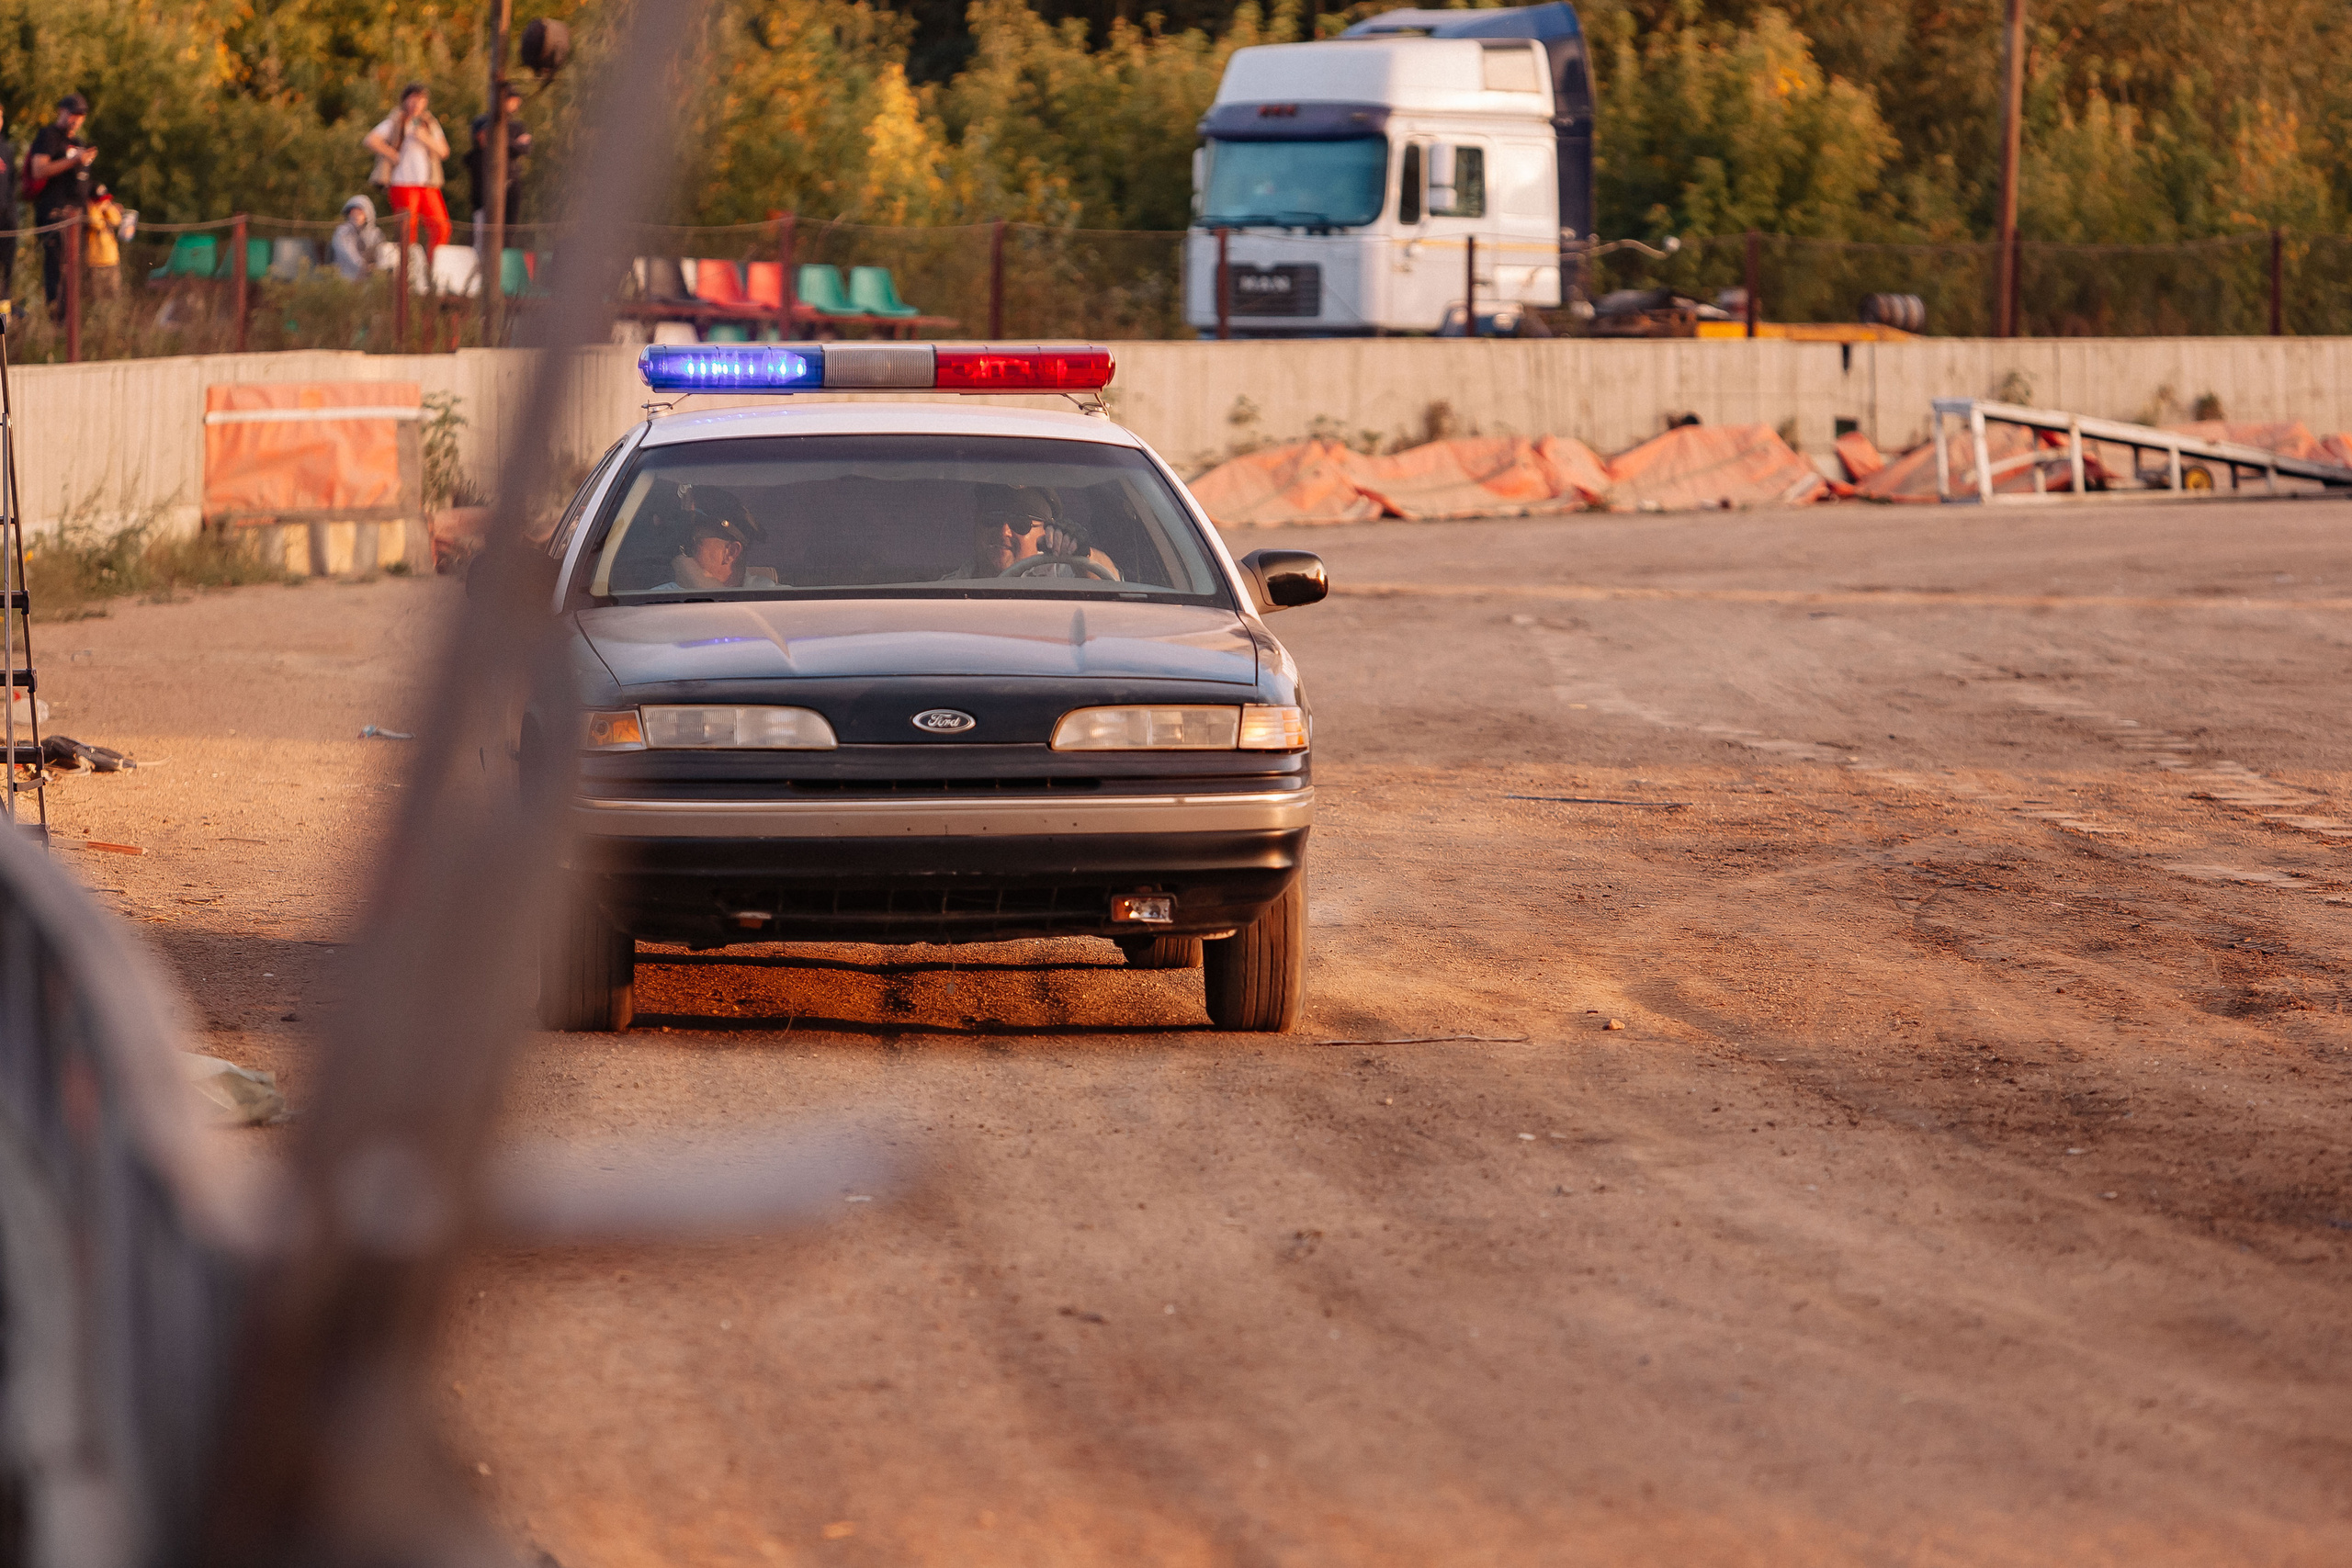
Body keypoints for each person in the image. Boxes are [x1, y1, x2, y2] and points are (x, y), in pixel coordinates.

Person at [945, 484, 1120, 580]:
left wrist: (1083, 555)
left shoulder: (1063, 579)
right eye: (993, 517)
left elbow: (1111, 586)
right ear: (976, 522)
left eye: (1021, 523)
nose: (1004, 531)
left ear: (1045, 534)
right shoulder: (944, 591)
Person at [27, 93, 96, 317]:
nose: (76, 119)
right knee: (56, 271)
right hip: (55, 214)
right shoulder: (48, 136)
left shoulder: (78, 143)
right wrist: (74, 160)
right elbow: (38, 170)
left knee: (75, 274)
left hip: (78, 216)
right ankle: (55, 321)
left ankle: (71, 322)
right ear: (61, 111)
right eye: (72, 114)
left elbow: (83, 181)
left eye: (81, 115)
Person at [364, 84, 451, 257]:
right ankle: (408, 270)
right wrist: (391, 153)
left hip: (427, 184)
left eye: (420, 100)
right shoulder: (396, 121)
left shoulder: (429, 124)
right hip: (402, 183)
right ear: (405, 101)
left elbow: (444, 151)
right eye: (413, 99)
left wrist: (425, 138)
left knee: (442, 227)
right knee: (408, 230)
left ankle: (433, 265)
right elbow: (370, 140)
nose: (416, 104)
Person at [650, 487, 769, 591]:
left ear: (730, 552)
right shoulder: (660, 600)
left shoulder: (776, 600)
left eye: (693, 543)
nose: (683, 551)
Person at [464, 85, 530, 234]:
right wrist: (513, 143)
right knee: (485, 229)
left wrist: (502, 142)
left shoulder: (517, 126)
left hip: (511, 181)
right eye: (512, 99)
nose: (516, 102)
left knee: (509, 228)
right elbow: (485, 142)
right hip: (486, 184)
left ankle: (505, 255)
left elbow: (525, 148)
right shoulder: (483, 121)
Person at [83, 185, 123, 298]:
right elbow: (97, 224)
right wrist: (95, 207)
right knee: (98, 297)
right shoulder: (91, 212)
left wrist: (109, 207)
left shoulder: (107, 213)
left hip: (112, 261)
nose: (104, 203)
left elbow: (117, 220)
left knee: (114, 296)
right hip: (96, 263)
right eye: (101, 201)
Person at [331, 195, 383, 281]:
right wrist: (363, 266)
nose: (356, 216)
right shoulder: (342, 232)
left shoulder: (375, 234)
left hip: (371, 280)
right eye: (353, 212)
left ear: (367, 214)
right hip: (346, 278)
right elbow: (347, 253)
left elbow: (381, 253)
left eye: (360, 212)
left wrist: (377, 268)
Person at [0, 105, 19, 314]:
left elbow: (12, 187)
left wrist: (11, 216)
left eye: (1, 116)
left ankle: (4, 318)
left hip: (6, 220)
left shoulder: (6, 149)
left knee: (6, 272)